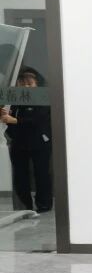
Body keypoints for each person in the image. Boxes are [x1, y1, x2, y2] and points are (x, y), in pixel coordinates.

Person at [2, 66, 54, 213]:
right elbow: (6, 116)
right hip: (18, 142)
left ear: (37, 84)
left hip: (40, 142)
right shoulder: (14, 98)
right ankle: (24, 206)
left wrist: (14, 120)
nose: (26, 86)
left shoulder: (43, 98)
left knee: (42, 174)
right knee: (20, 176)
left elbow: (37, 119)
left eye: (30, 84)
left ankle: (44, 205)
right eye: (22, 83)